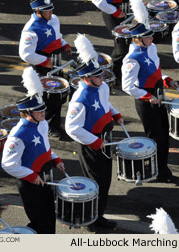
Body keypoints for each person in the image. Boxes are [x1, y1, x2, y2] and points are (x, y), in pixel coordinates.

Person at [65, 34, 124, 232]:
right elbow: (72, 128)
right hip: (92, 145)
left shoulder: (102, 86)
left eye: (101, 74)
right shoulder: (79, 99)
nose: (102, 77)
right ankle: (92, 220)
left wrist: (115, 114)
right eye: (97, 76)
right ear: (85, 78)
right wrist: (95, 142)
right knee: (97, 183)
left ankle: (97, 215)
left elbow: (105, 103)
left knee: (105, 181)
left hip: (105, 140)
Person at [1, 67, 65, 234]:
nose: (43, 112)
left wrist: (55, 159)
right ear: (27, 113)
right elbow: (8, 164)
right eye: (39, 111)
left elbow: (44, 146)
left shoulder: (42, 123)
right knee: (39, 221)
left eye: (43, 109)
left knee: (50, 216)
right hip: (30, 181)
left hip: (45, 175)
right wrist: (32, 176)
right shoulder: (18, 134)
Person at [121, 0, 179, 184]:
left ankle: (162, 168)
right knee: (156, 137)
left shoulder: (151, 48)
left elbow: (155, 70)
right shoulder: (131, 59)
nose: (152, 38)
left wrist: (165, 79)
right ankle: (156, 171)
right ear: (138, 39)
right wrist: (147, 97)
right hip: (146, 99)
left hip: (158, 93)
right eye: (148, 37)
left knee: (164, 135)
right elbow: (127, 86)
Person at [19, 0, 72, 140]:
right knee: (46, 99)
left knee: (58, 96)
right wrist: (44, 61)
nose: (51, 13)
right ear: (38, 12)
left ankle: (54, 125)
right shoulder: (30, 30)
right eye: (47, 11)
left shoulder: (53, 19)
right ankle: (41, 126)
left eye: (51, 9)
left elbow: (57, 36)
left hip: (55, 63)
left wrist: (64, 44)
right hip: (42, 67)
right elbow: (25, 54)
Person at [91, 0, 129, 89]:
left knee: (127, 43)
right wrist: (115, 11)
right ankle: (112, 74)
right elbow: (99, 2)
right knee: (121, 46)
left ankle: (120, 73)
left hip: (125, 6)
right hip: (111, 8)